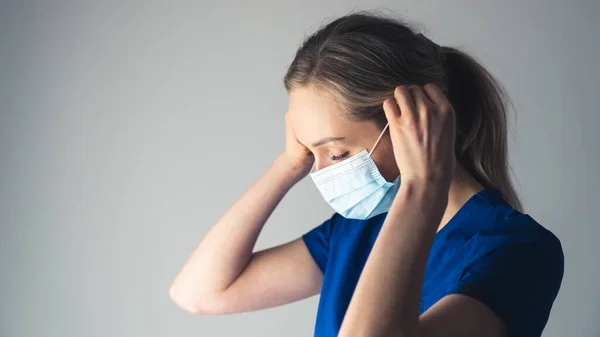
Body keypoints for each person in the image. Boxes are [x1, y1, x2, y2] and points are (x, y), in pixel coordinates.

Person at [169, 12, 564, 337]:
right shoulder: (357, 228)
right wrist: (289, 163)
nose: (319, 171)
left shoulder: (518, 251)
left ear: (416, 123)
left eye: (337, 152)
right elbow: (200, 293)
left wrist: (423, 185)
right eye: (311, 152)